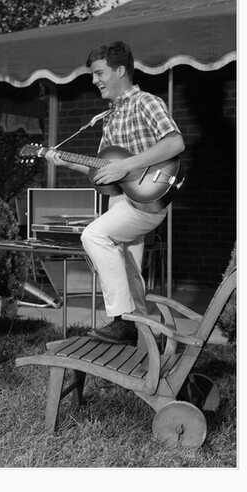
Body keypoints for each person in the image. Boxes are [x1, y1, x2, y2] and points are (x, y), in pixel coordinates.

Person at [45, 40, 185, 345]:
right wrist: (66, 161)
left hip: (146, 202)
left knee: (93, 236)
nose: (94, 81)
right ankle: (149, 339)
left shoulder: (146, 102)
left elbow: (175, 143)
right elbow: (104, 174)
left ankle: (121, 320)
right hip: (121, 200)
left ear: (120, 70)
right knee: (130, 274)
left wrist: (128, 166)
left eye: (98, 73)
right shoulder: (109, 117)